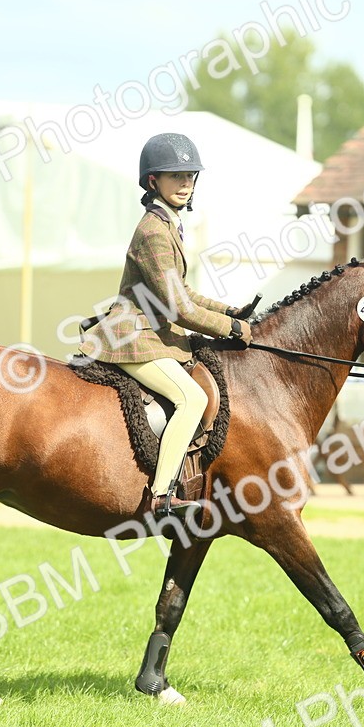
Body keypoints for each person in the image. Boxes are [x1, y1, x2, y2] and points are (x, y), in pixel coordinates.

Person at [79, 133, 251, 520]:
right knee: (193, 399)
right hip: (132, 339)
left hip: (150, 335)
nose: (185, 183)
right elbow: (177, 308)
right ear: (153, 181)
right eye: (175, 176)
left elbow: (183, 290)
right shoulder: (154, 232)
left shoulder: (168, 225)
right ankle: (160, 496)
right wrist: (229, 329)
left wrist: (230, 310)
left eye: (190, 175)